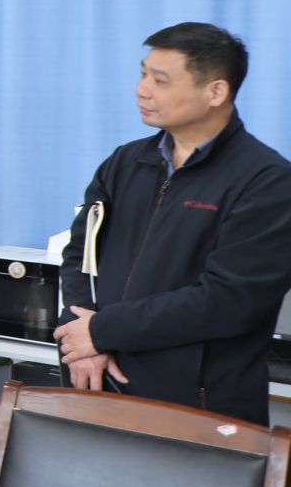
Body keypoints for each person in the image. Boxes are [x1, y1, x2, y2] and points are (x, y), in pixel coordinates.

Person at [55, 23, 291, 425]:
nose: (142, 90)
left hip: (198, 403)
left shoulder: (266, 181)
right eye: (143, 74)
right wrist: (83, 339)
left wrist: (102, 331)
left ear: (215, 91)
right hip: (96, 378)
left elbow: (227, 302)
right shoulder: (125, 162)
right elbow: (81, 254)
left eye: (160, 80)